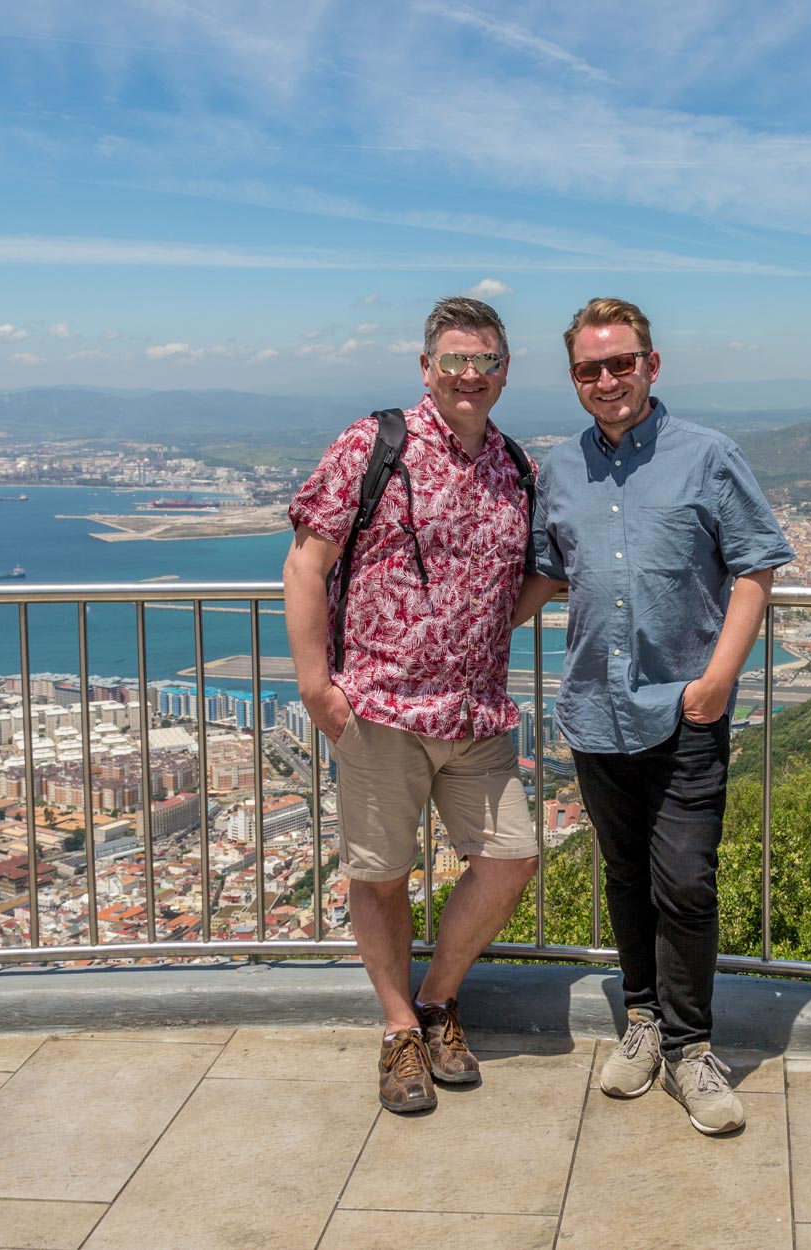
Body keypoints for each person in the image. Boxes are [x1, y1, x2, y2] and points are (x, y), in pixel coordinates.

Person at [514, 297, 793, 1135]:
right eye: (590, 369)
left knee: (687, 883)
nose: (607, 379)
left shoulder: (709, 456)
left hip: (684, 711)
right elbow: (541, 576)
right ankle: (642, 1019)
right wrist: (456, 627)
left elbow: (756, 569)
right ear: (573, 379)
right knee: (626, 876)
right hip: (595, 714)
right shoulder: (560, 470)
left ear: (651, 365)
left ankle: (691, 1045)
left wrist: (715, 683)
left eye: (621, 362)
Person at [284, 296, 540, 1114]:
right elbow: (305, 564)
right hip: (380, 709)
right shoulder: (375, 443)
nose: (472, 374)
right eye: (456, 360)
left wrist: (482, 625)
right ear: (427, 367)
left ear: (504, 371)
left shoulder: (514, 465)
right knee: (382, 875)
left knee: (511, 858)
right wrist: (316, 683)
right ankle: (399, 1028)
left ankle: (437, 1002)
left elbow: (514, 583)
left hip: (475, 713)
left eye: (487, 361)